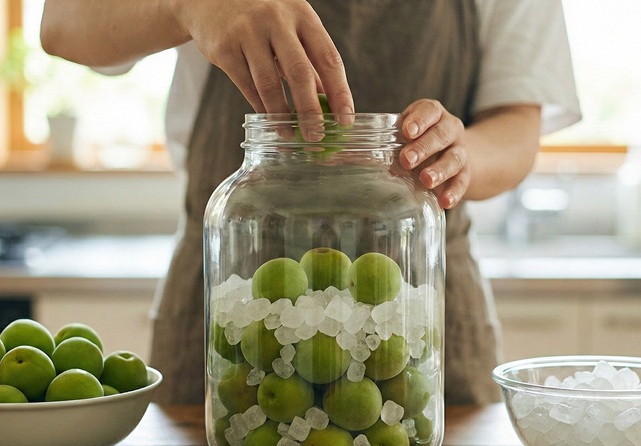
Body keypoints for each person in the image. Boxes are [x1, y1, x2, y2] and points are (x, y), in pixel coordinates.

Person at [41, 0, 580, 406]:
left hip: (422, 307)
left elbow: (517, 128)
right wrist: (191, 5)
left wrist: (460, 154)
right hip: (231, 308)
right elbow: (64, 24)